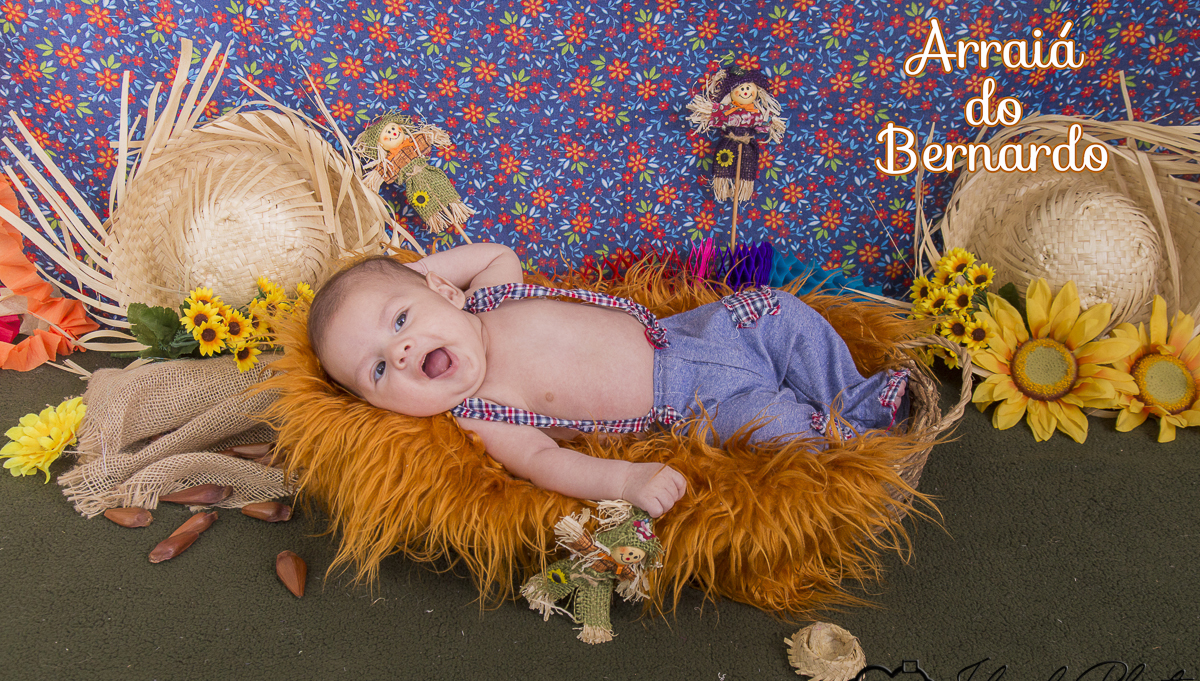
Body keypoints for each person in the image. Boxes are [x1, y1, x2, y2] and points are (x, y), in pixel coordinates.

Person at [307, 243, 909, 518]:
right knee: (773, 426)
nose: (402, 351)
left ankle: (855, 393)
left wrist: (409, 274)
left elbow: (494, 252)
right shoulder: (483, 412)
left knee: (781, 312)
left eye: (401, 320)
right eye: (378, 369)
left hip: (693, 333)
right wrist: (625, 478)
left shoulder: (492, 293)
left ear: (445, 291)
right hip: (692, 405)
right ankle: (852, 439)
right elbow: (545, 462)